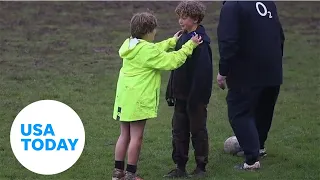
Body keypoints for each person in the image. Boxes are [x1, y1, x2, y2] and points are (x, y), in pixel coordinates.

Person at [111, 12, 203, 180]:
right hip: (138, 100)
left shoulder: (130, 45)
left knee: (124, 135)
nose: (155, 33)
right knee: (136, 137)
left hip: (124, 98)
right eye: (154, 30)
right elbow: (172, 61)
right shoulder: (148, 51)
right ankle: (131, 174)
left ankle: (118, 173)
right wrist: (190, 45)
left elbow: (152, 50)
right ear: (148, 31)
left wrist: (171, 41)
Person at [216, 1, 285, 170]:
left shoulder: (232, 6)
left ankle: (252, 161)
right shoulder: (268, 3)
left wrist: (223, 70)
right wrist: (275, 62)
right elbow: (280, 36)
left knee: (239, 112)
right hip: (272, 70)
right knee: (263, 110)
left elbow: (228, 40)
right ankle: (258, 148)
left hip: (246, 72)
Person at [164, 1, 213, 178]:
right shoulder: (183, 38)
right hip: (180, 96)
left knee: (198, 131)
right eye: (179, 17)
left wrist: (197, 98)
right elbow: (176, 67)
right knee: (178, 131)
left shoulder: (201, 42)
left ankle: (201, 167)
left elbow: (203, 74)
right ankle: (180, 167)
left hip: (195, 98)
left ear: (196, 18)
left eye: (184, 17)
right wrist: (171, 90)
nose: (180, 21)